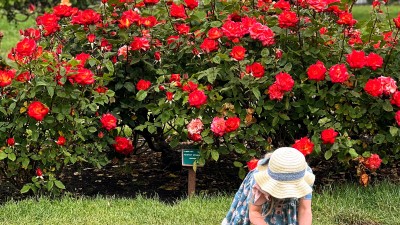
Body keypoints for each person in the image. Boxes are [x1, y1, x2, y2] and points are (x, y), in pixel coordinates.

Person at [221, 147, 315, 225]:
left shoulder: (304, 176)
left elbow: (304, 209)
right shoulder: (260, 183)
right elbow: (254, 212)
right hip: (261, 208)